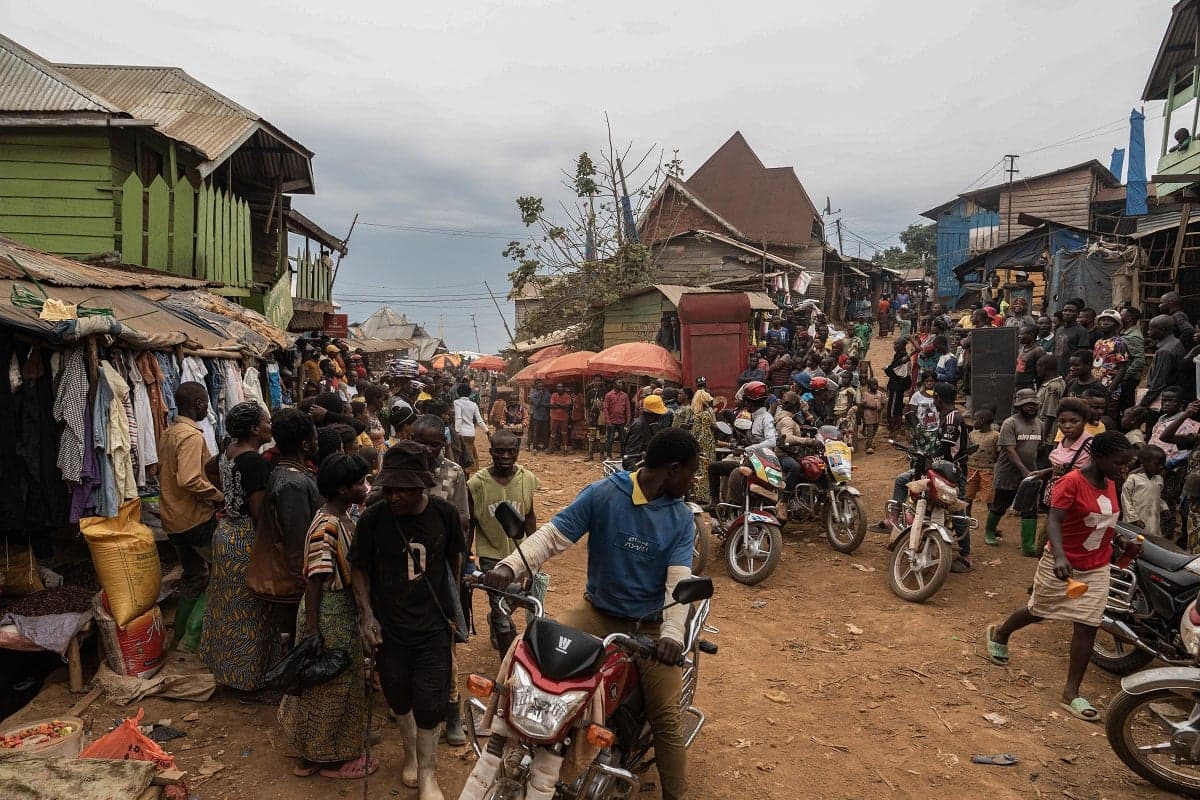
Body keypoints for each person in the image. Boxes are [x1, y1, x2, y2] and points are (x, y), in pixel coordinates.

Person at [480, 428, 700, 800]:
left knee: (666, 719)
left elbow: (678, 585)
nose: (694, 480)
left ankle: (676, 795)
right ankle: (512, 746)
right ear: (674, 469)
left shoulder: (680, 519)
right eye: (692, 472)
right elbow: (553, 536)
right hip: (598, 612)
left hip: (649, 623)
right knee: (535, 661)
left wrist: (670, 636)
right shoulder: (605, 493)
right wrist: (508, 567)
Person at [986, 432, 1135, 722]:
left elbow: (1105, 521)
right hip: (1063, 564)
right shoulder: (1071, 482)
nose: (1124, 469)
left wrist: (1120, 543)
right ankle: (1001, 633)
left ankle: (1071, 692)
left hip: (1096, 566)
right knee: (1039, 611)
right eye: (1120, 463)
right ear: (1100, 457)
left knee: (1088, 625)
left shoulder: (1112, 483)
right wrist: (1059, 556)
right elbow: (1054, 520)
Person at [351, 442, 465, 800]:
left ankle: (429, 773)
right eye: (390, 488)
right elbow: (359, 567)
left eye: (404, 489)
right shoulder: (374, 517)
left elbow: (453, 563)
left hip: (432, 626)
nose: (395, 496)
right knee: (398, 695)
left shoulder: (444, 514)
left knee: (431, 701)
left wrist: (453, 609)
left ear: (422, 486)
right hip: (390, 626)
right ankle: (410, 756)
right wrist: (367, 614)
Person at [279, 454, 374, 779]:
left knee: (334, 681)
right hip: (329, 612)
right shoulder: (327, 525)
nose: (366, 487)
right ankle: (327, 756)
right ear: (342, 489)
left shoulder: (341, 517)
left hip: (338, 610)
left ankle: (322, 748)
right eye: (361, 482)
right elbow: (316, 579)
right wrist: (312, 630)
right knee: (332, 683)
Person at [200, 402, 278, 695]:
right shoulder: (254, 462)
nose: (270, 427)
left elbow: (210, 468)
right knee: (250, 609)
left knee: (227, 607)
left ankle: (227, 670)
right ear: (255, 429)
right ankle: (250, 681)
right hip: (246, 537)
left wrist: (230, 495)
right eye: (266, 422)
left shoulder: (229, 452)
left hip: (225, 532)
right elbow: (259, 513)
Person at [409, 414, 470, 746]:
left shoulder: (453, 472)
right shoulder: (398, 468)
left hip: (441, 569)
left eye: (435, 444)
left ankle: (453, 711)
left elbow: (462, 522)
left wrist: (458, 581)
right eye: (422, 442)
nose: (428, 450)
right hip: (404, 569)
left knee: (445, 642)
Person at [878, 383, 972, 571]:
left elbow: (945, 450)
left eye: (934, 398)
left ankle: (966, 555)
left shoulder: (952, 418)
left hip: (951, 472)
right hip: (942, 468)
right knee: (904, 480)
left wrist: (926, 460)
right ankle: (895, 521)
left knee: (957, 510)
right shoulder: (948, 416)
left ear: (938, 399)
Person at [158, 382, 224, 645]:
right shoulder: (191, 436)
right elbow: (189, 479)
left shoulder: (169, 433)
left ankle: (180, 637)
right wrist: (219, 497)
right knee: (223, 572)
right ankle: (192, 638)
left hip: (173, 519)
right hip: (194, 519)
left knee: (193, 577)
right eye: (206, 401)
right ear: (198, 403)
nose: (207, 406)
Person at [467, 430, 538, 657]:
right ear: (491, 452)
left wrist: (535, 552)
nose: (505, 456)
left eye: (511, 451)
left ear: (517, 452)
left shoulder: (527, 479)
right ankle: (507, 664)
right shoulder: (476, 484)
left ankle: (498, 615)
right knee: (501, 614)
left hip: (521, 554)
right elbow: (470, 523)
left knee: (521, 596)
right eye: (500, 451)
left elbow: (529, 516)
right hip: (491, 555)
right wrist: (467, 556)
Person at [985, 390, 1045, 553]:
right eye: (1027, 404)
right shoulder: (1010, 423)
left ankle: (1028, 545)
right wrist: (1024, 470)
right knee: (1000, 505)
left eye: (1034, 404)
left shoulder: (1040, 424)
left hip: (1030, 473)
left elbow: (1039, 448)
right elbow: (1010, 450)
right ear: (1019, 405)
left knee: (1030, 509)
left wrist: (1031, 471)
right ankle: (989, 532)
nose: (1031, 407)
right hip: (1008, 472)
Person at [1140, 315, 1191, 412]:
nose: (1148, 332)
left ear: (1162, 330)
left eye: (1151, 330)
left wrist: (1143, 403)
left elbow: (1159, 382)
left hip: (1162, 399)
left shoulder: (1165, 351)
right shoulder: (1176, 342)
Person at [1121, 445, 1167, 538]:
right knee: (1134, 539)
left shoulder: (1159, 479)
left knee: (1151, 538)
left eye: (1163, 464)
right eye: (1157, 464)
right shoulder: (1133, 479)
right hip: (1136, 519)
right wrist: (1133, 518)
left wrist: (1164, 507)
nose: (1161, 467)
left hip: (1153, 518)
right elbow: (1125, 499)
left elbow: (1157, 496)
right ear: (1143, 462)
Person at [1091, 309, 1129, 415]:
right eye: (1102, 320)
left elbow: (1123, 368)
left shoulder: (1119, 343)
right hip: (1096, 387)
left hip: (1110, 389)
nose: (1105, 323)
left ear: (1117, 325)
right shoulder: (1098, 342)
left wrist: (1111, 388)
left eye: (1109, 320)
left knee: (1109, 416)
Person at [965, 407, 998, 520]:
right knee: (968, 495)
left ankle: (991, 522)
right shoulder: (972, 434)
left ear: (982, 421)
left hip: (987, 470)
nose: (974, 422)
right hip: (971, 468)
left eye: (976, 420)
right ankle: (967, 517)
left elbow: (998, 453)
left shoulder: (995, 436)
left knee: (989, 497)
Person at [624, 395, 669, 468]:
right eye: (659, 414)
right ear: (654, 414)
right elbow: (631, 454)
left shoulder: (650, 424)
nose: (660, 417)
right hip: (639, 467)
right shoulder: (640, 426)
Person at [453, 384, 489, 474]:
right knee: (468, 456)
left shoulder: (457, 402)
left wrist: (456, 431)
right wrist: (487, 431)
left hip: (461, 433)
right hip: (471, 434)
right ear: (469, 393)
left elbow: (458, 418)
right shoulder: (474, 405)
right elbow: (480, 420)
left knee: (461, 457)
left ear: (458, 393)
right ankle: (467, 476)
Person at [1119, 306, 1146, 415]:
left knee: (1125, 405)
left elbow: (1139, 360)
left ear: (1129, 318)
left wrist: (1125, 376)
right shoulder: (1125, 333)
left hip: (1129, 379)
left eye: (1121, 315)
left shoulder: (1134, 336)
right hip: (1125, 377)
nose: (1119, 317)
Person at [883, 339, 912, 437]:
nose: (894, 346)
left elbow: (893, 369)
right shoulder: (901, 355)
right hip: (899, 385)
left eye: (896, 344)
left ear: (902, 345)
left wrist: (887, 369)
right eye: (894, 343)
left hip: (896, 386)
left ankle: (893, 429)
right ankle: (897, 428)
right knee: (898, 406)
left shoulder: (902, 356)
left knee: (892, 408)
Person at [1036, 354, 1066, 444]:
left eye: (1038, 367)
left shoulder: (1053, 387)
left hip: (1048, 435)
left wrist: (1042, 440)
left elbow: (1050, 415)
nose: (1037, 370)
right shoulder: (1053, 383)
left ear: (1043, 367)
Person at [1053, 301, 1089, 375]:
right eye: (1065, 310)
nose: (1067, 313)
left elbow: (1081, 355)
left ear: (1077, 314)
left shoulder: (1081, 331)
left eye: (1071, 311)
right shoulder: (1059, 330)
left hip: (1070, 372)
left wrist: (1071, 373)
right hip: (1056, 370)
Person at [604, 380, 632, 458]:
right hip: (612, 421)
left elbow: (628, 408)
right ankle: (609, 456)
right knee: (610, 439)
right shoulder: (608, 395)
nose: (621, 384)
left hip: (622, 421)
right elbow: (605, 408)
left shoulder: (625, 395)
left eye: (621, 383)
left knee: (623, 440)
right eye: (619, 383)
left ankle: (622, 456)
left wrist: (628, 420)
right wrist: (608, 421)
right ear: (614, 384)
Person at [859, 377, 886, 454]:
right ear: (869, 386)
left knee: (875, 430)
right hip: (868, 416)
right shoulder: (866, 394)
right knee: (870, 431)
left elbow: (883, 403)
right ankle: (869, 446)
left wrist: (880, 409)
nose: (875, 386)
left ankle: (870, 443)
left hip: (877, 416)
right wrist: (871, 407)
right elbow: (862, 405)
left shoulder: (880, 394)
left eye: (876, 384)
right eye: (872, 384)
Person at [1014, 324, 1045, 391]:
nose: (1019, 336)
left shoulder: (1038, 351)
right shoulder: (1022, 349)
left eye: (1022, 334)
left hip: (1030, 387)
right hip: (1019, 386)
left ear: (1031, 335)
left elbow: (1042, 372)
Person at [548, 383, 572, 452]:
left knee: (564, 433)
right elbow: (551, 406)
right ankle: (551, 449)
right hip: (554, 417)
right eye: (558, 387)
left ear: (563, 388)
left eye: (561, 387)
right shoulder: (554, 395)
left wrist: (557, 404)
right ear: (556, 388)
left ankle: (565, 448)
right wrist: (563, 406)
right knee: (553, 434)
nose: (560, 388)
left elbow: (568, 407)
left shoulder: (567, 396)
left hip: (564, 418)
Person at [528, 380, 551, 452]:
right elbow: (537, 405)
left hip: (545, 417)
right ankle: (535, 447)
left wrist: (543, 404)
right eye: (539, 386)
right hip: (537, 417)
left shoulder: (547, 394)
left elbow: (549, 405)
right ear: (537, 387)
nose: (541, 388)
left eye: (542, 386)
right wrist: (540, 397)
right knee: (536, 432)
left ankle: (546, 447)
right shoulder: (534, 395)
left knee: (545, 433)